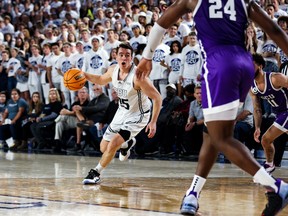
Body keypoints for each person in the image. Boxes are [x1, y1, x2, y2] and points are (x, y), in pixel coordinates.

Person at [136, 0, 288, 215]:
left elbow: (162, 22)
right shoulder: (244, 2)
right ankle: (192, 194)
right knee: (212, 132)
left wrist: (146, 57)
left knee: (221, 138)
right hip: (244, 64)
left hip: (218, 64)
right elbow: (273, 29)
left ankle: (275, 187)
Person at [81, 42, 162, 184]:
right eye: (121, 55)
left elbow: (157, 98)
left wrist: (153, 121)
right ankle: (127, 144)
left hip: (139, 114)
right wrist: (84, 75)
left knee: (113, 144)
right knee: (103, 148)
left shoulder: (138, 77)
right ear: (116, 56)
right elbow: (100, 79)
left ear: (132, 58)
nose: (124, 58)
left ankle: (96, 172)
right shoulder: (113, 70)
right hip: (122, 111)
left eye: (127, 55)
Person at [250, 53, 288, 174]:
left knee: (266, 139)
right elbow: (257, 108)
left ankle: (269, 166)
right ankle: (270, 165)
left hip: (287, 111)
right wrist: (257, 127)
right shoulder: (252, 87)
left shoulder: (275, 78)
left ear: (260, 66)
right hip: (280, 113)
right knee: (265, 140)